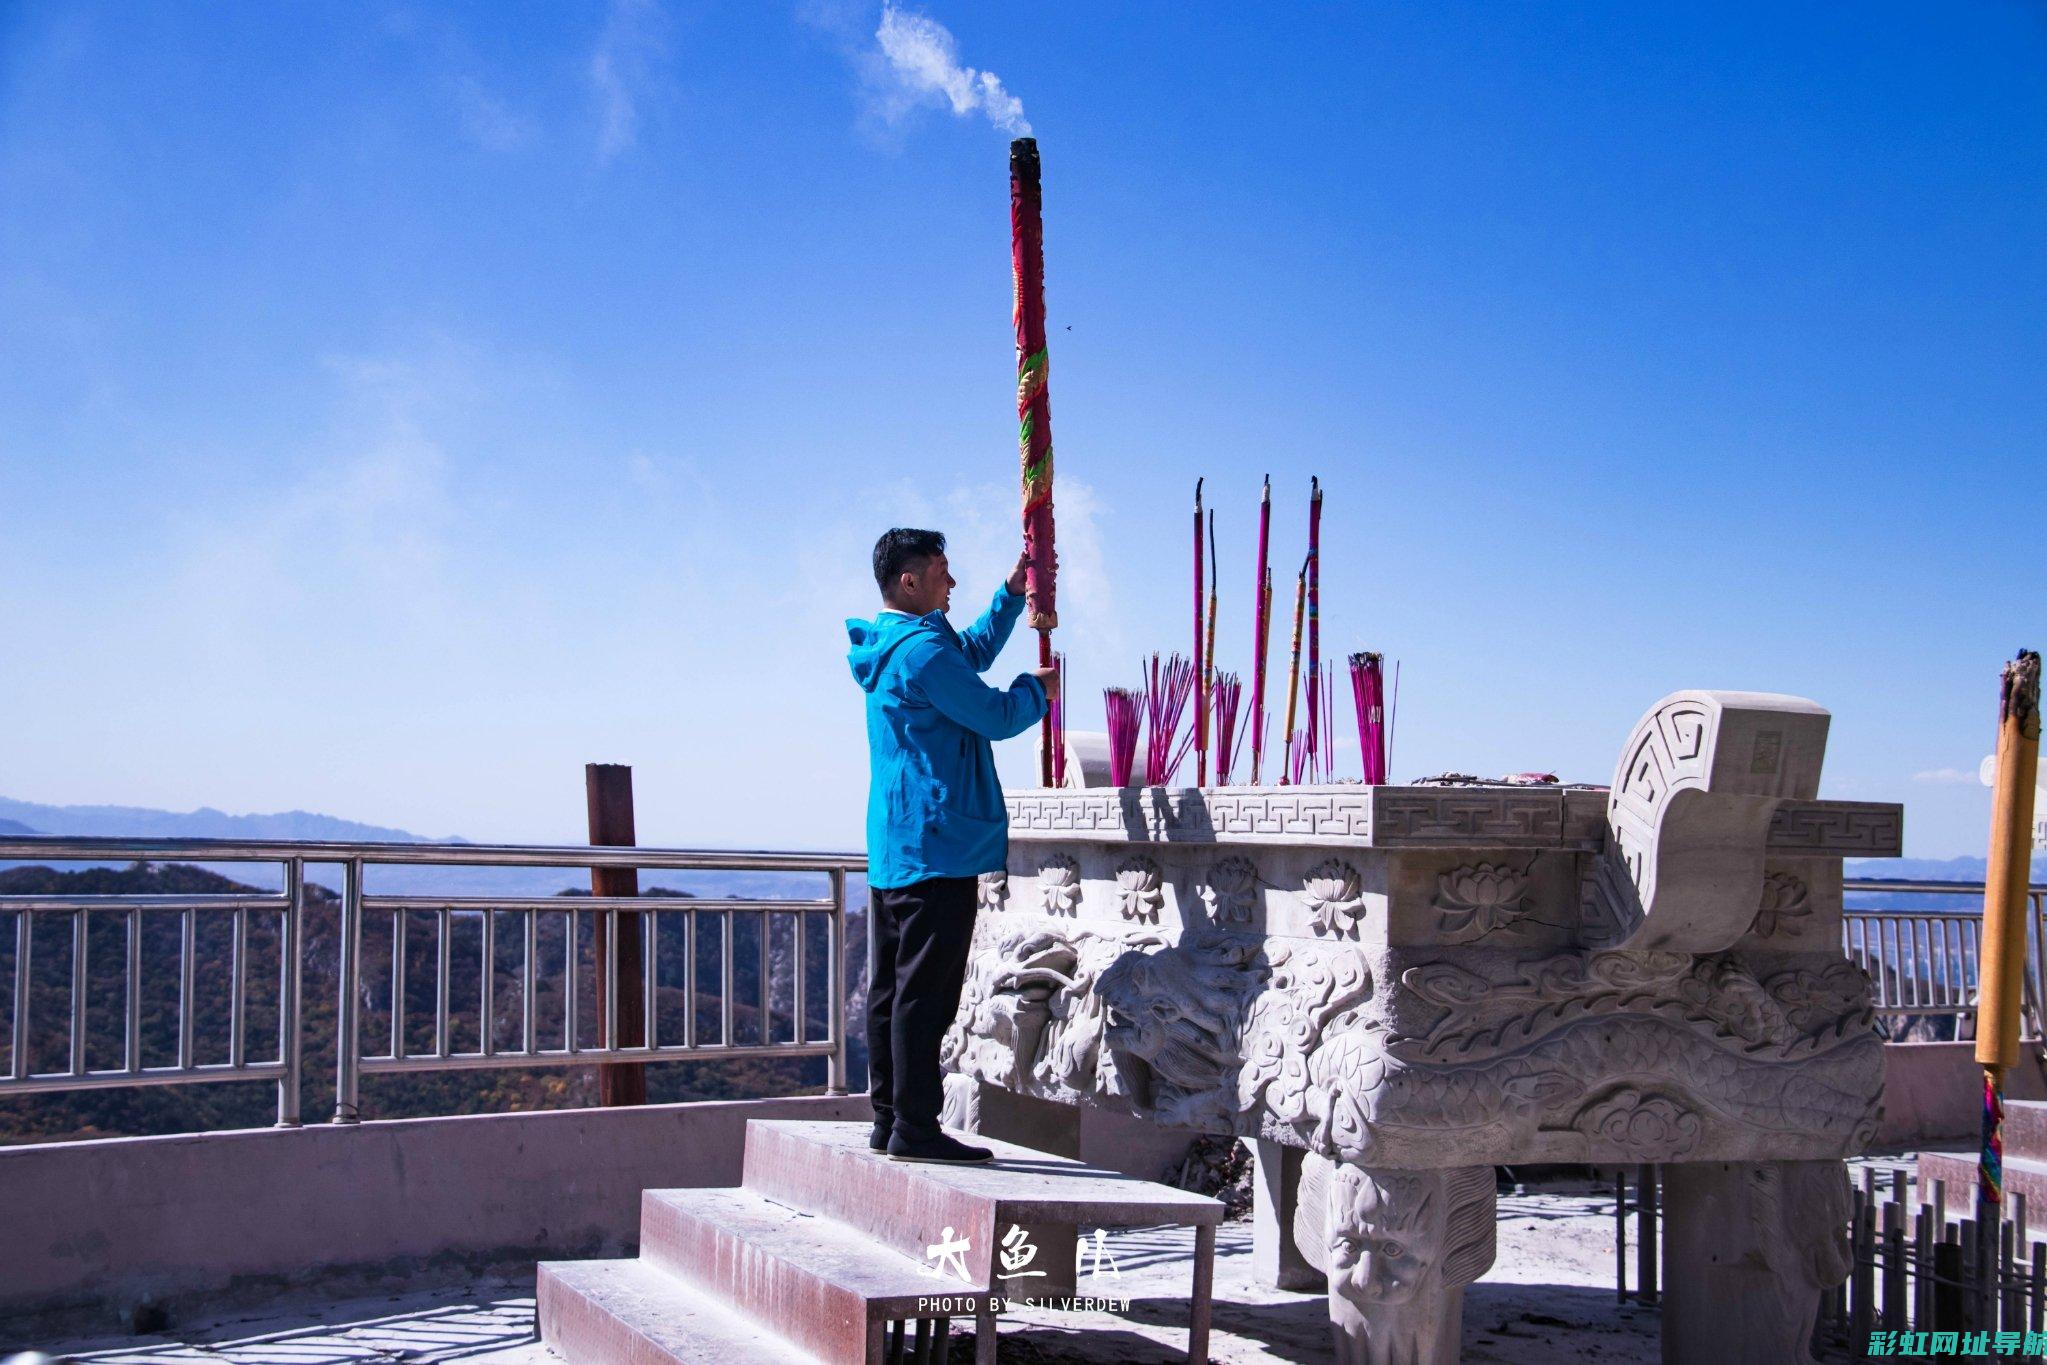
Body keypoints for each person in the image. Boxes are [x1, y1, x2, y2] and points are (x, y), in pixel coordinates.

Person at [845, 528, 1059, 1163]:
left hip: (898, 845)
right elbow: (991, 713)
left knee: (892, 991)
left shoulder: (900, 645)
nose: (951, 580)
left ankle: (889, 1118)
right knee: (924, 997)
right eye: (941, 570)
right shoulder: (921, 654)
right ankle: (915, 1126)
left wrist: (1012, 595)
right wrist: (1038, 692)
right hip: (938, 843)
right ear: (909, 581)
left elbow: (966, 653)